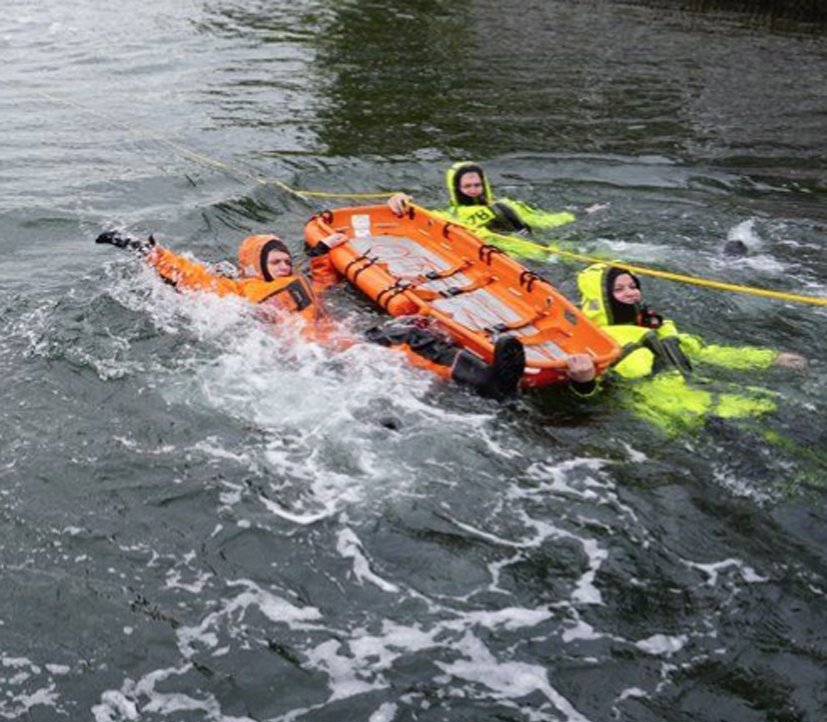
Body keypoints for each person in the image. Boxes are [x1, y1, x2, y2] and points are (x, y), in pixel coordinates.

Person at [95, 228, 537, 401]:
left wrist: (321, 252)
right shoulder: (242, 289)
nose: (284, 263)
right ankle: (491, 385)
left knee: (415, 332)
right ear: (256, 265)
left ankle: (491, 380)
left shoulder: (300, 282)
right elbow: (192, 279)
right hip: (313, 356)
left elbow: (321, 281)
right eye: (275, 259)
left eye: (287, 258)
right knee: (404, 343)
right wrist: (147, 251)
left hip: (340, 343)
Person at [576, 263, 807, 432]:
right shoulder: (596, 341)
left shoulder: (659, 326)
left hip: (708, 395)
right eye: (619, 289)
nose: (630, 292)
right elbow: (593, 395)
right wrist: (584, 382)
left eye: (632, 285)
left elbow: (707, 352)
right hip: (676, 418)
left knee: (784, 415)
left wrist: (770, 358)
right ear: (601, 299)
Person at [387, 161, 592, 261]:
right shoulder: (450, 216)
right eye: (467, 187)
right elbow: (417, 213)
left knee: (600, 253)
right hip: (509, 258)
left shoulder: (506, 205)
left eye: (477, 185)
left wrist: (580, 212)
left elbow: (544, 220)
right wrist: (400, 198)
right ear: (456, 189)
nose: (474, 190)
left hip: (544, 249)